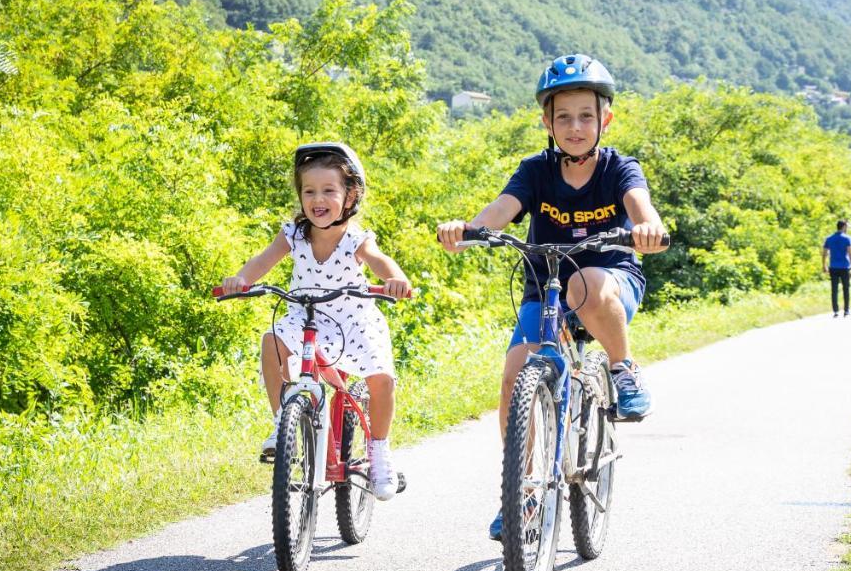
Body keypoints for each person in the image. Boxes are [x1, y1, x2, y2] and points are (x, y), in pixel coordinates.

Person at [436, 54, 669, 540]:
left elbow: (639, 204)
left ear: (605, 119)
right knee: (514, 374)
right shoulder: (536, 171)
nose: (575, 126)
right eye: (563, 117)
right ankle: (519, 491)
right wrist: (471, 229)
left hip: (611, 282)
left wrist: (649, 226)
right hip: (546, 288)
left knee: (587, 284)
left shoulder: (619, 168)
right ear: (547, 122)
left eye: (586, 115)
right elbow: (503, 208)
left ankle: (622, 368)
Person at [221, 142, 412, 500]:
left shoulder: (356, 239)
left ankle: (380, 452)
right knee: (271, 341)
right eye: (309, 191)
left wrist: (396, 279)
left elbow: (380, 260)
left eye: (329, 190)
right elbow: (262, 262)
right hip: (305, 316)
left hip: (354, 321)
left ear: (350, 195)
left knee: (382, 379)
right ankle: (283, 424)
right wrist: (241, 279)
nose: (317, 199)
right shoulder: (293, 235)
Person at [821, 219, 851, 318]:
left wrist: (824, 265)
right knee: (846, 289)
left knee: (834, 289)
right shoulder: (847, 238)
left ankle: (836, 311)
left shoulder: (829, 238)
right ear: (844, 227)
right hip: (845, 267)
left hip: (833, 267)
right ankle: (846, 310)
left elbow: (824, 253)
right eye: (847, 227)